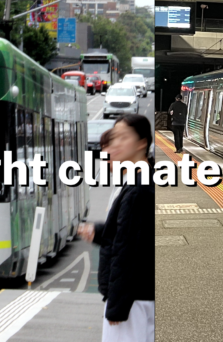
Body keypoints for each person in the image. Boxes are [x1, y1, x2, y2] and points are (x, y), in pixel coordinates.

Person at [77, 114, 155, 342]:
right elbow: (130, 234)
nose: (115, 145)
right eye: (114, 138)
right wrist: (100, 232)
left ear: (142, 143)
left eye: (123, 138)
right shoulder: (137, 182)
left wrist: (117, 305)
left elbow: (128, 251)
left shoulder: (139, 189)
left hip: (132, 301)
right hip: (137, 298)